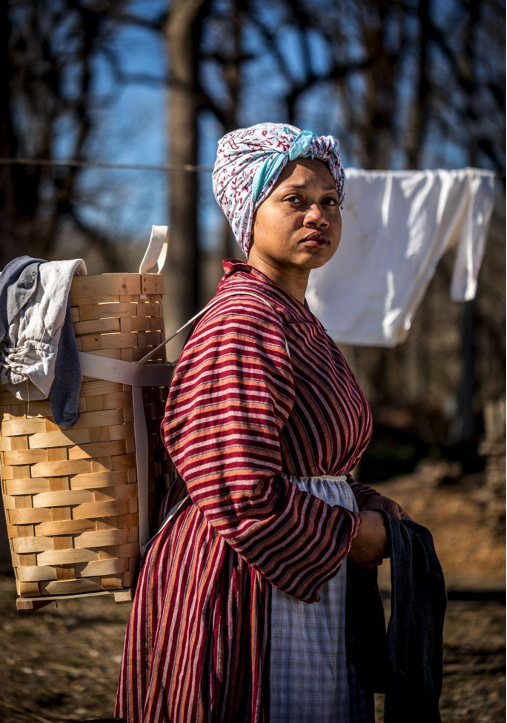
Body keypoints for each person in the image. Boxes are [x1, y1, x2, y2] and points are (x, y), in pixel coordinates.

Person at [115, 123, 410, 723]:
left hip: (296, 575)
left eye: (330, 202)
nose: (317, 216)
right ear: (249, 212)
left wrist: (366, 501)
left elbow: (310, 458)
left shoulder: (295, 317)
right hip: (243, 583)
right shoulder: (245, 320)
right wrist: (353, 534)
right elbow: (236, 487)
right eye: (295, 200)